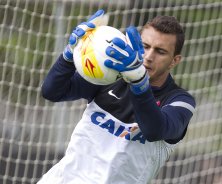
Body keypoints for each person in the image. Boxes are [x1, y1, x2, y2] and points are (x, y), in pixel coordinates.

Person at [38, 9, 196, 184]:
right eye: (145, 46)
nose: (149, 56)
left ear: (175, 60)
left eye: (160, 51)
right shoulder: (110, 76)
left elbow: (154, 130)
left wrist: (139, 82)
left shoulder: (181, 101)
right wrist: (69, 54)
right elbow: (52, 91)